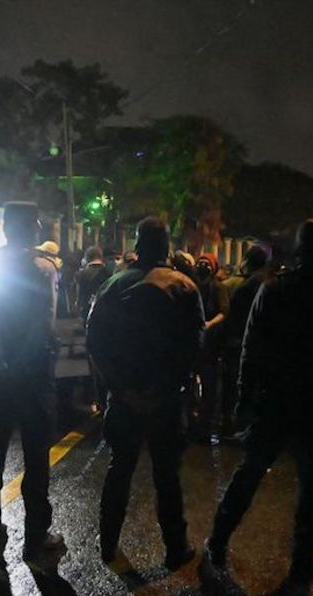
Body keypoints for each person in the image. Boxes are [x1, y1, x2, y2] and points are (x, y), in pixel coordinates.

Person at [206, 220, 313, 585]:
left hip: (275, 402)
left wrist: (243, 398)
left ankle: (218, 540)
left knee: (250, 472)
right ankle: (302, 559)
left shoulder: (275, 290)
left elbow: (252, 348)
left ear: (297, 250)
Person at [87, 217, 203, 569]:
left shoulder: (114, 284)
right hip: (167, 399)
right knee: (167, 475)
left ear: (137, 245)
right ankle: (175, 548)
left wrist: (119, 388)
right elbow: (196, 347)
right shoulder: (185, 286)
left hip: (123, 398)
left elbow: (95, 341)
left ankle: (108, 543)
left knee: (119, 469)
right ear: (167, 246)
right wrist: (179, 390)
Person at [0, 202, 63, 566]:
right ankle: (36, 538)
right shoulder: (43, 268)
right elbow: (43, 326)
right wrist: (15, 365)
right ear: (34, 227)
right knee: (36, 458)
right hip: (33, 377)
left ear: (6, 228)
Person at [220, 244, 271, 436]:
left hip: (241, 343)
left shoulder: (245, 287)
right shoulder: (272, 284)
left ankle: (236, 423)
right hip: (265, 346)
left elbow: (234, 318)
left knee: (236, 383)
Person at [190, 252, 228, 442]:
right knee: (189, 385)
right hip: (193, 344)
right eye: (200, 262)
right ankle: (191, 421)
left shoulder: (218, 288)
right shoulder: (191, 285)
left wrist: (208, 325)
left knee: (209, 386)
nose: (203, 266)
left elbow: (223, 312)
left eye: (207, 263)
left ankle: (204, 425)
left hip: (210, 345)